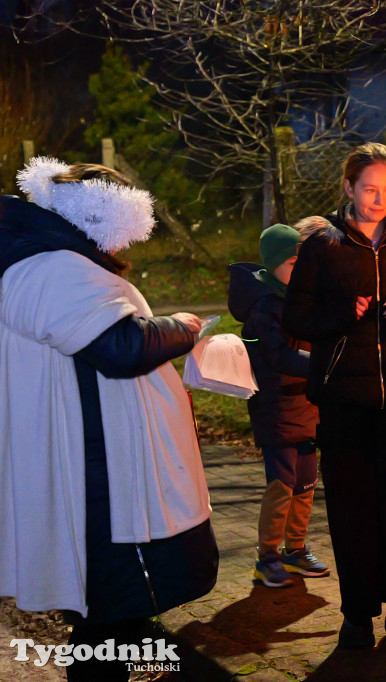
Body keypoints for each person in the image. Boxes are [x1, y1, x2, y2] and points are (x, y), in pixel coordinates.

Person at [0, 158, 218, 681]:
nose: (123, 249)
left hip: (94, 459)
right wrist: (184, 327)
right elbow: (120, 346)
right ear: (104, 224)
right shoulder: (50, 267)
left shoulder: (46, 260)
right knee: (113, 609)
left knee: (114, 613)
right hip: (96, 472)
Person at [282, 143, 386, 649]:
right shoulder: (322, 246)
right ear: (349, 188)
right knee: (352, 512)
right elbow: (296, 319)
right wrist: (340, 312)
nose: (380, 199)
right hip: (342, 402)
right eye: (370, 189)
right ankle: (357, 615)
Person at [228, 223, 329, 589]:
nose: (298, 271)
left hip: (305, 403)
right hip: (276, 406)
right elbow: (276, 356)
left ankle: (295, 549)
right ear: (273, 266)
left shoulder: (297, 299)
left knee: (305, 480)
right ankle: (267, 556)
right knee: (282, 483)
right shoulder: (265, 306)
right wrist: (321, 364)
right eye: (290, 264)